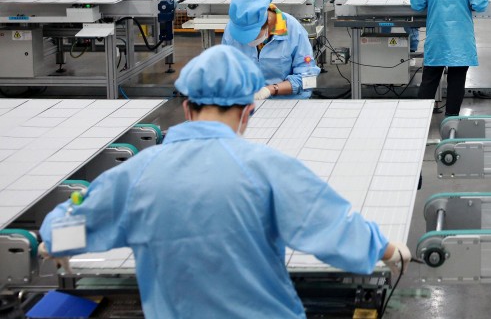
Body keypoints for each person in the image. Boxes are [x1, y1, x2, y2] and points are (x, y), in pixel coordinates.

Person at [40, 46, 410, 319]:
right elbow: (330, 223)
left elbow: (70, 227)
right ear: (247, 111)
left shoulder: (134, 175)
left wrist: (57, 235)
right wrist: (387, 249)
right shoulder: (269, 170)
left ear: (186, 108)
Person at [410, 0, 489, 117]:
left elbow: (416, 3)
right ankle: (451, 120)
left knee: (429, 81)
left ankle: (420, 120)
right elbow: (480, 4)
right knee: (457, 82)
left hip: (437, 36)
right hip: (460, 39)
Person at [223, 0, 320, 100]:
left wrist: (271, 90)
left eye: (251, 35)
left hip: (288, 105)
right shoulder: (233, 28)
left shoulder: (293, 29)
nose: (247, 41)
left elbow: (309, 80)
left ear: (267, 22)